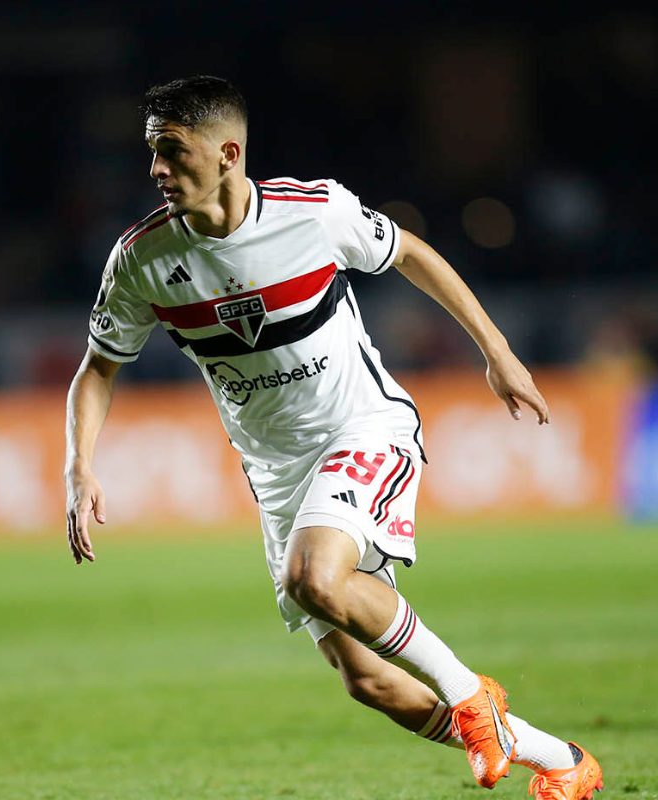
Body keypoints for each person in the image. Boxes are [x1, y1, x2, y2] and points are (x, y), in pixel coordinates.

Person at [63, 75, 604, 800]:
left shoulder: (311, 212)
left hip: (363, 429)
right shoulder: (142, 259)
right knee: (370, 682)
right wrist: (79, 466)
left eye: (171, 151)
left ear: (227, 152)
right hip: (278, 476)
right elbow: (98, 367)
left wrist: (497, 352)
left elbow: (411, 252)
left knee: (313, 577)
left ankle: (472, 694)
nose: (155, 170)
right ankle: (558, 757)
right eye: (151, 152)